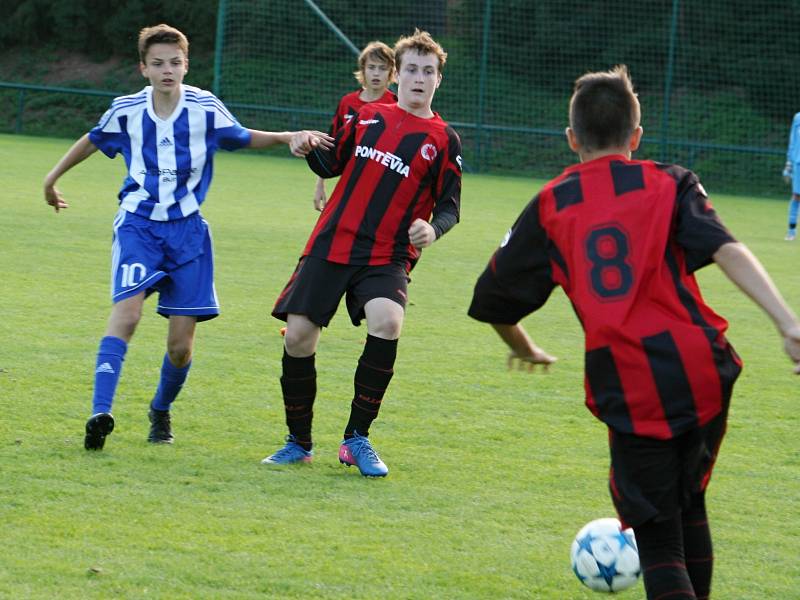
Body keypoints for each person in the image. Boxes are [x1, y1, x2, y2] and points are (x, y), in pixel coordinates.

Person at [468, 66, 800, 599]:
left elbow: (492, 300)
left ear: (572, 138)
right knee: (688, 502)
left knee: (659, 539)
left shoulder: (552, 204)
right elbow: (725, 247)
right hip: (705, 370)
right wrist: (787, 322)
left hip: (630, 385)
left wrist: (523, 345)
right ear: (636, 137)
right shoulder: (670, 182)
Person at [43, 23, 331, 451]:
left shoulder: (204, 108)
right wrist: (52, 178)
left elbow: (244, 136)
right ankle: (99, 412)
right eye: (158, 63)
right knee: (127, 316)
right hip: (138, 225)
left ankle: (160, 408)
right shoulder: (126, 110)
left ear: (186, 65)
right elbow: (92, 139)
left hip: (189, 235)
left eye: (175, 63)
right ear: (143, 68)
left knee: (180, 347)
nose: (167, 70)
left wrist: (291, 137)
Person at [263, 29, 462, 477]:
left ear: (438, 80)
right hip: (332, 241)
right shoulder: (365, 115)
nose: (418, 78)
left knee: (388, 321)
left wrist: (433, 227)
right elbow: (329, 163)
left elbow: (450, 206)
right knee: (298, 338)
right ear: (398, 74)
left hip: (386, 254)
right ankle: (299, 441)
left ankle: (357, 437)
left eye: (427, 71)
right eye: (410, 69)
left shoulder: (444, 139)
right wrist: (305, 147)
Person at [312, 40, 397, 212]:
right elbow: (331, 145)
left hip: (383, 184)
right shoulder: (347, 103)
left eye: (382, 68)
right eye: (372, 67)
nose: (376, 73)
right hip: (349, 182)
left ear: (391, 73)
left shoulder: (396, 104)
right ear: (363, 69)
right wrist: (320, 183)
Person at [781, 111, 800, 240]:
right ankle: (791, 230)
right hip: (798, 163)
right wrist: (789, 164)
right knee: (796, 196)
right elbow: (792, 142)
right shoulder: (798, 118)